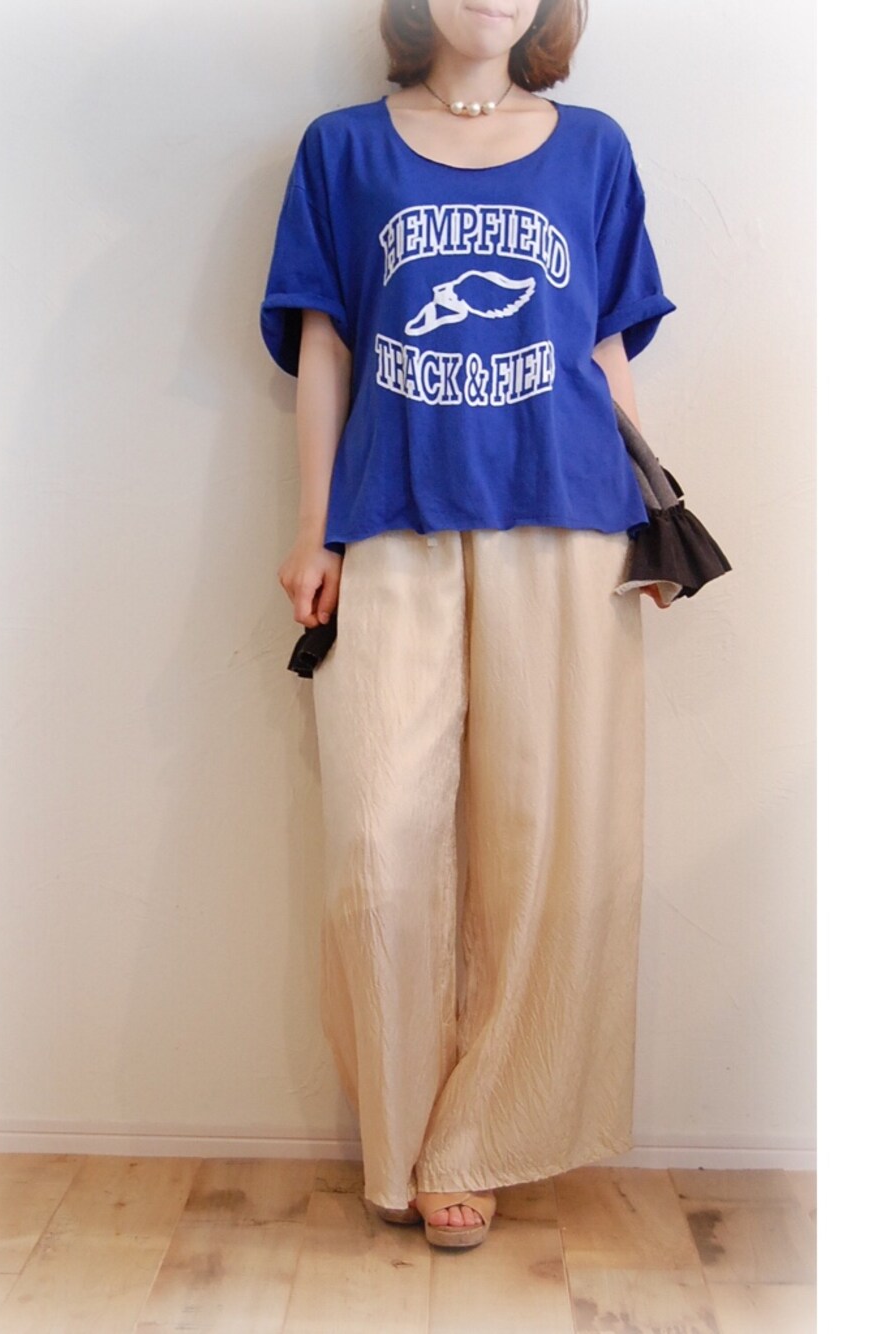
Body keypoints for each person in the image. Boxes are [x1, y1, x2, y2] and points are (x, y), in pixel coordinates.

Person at [259, 0, 678, 1250]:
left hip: (566, 512)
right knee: (377, 837)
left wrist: (659, 512)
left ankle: (478, 1141)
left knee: (543, 838)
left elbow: (602, 349)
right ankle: (402, 1136)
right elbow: (326, 343)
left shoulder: (593, 146)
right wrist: (313, 528)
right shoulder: (342, 147)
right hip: (393, 513)